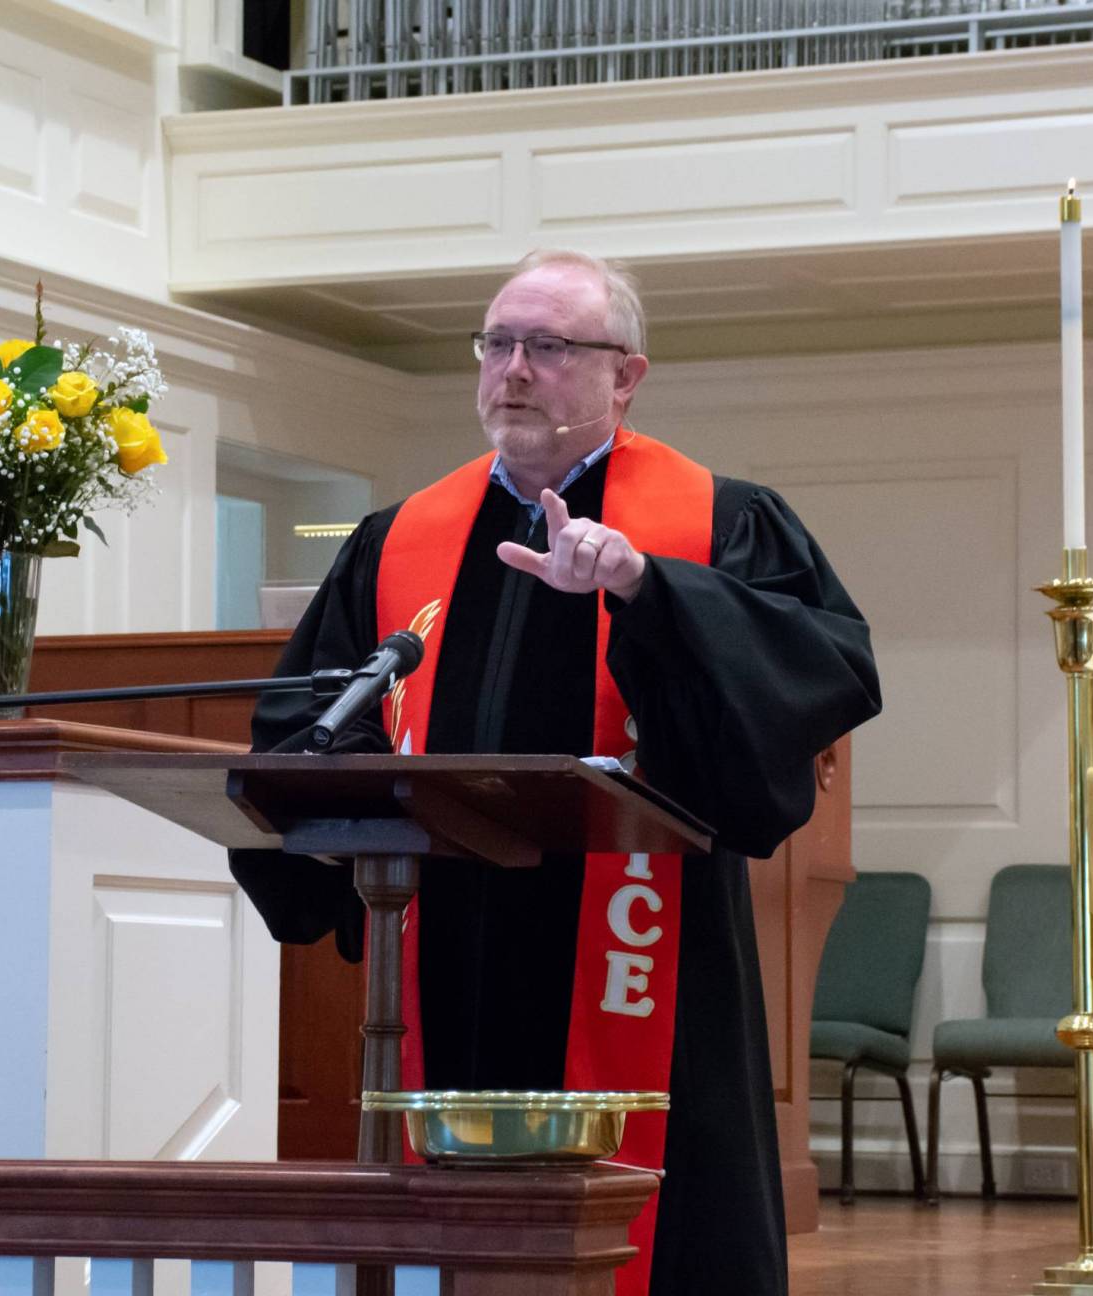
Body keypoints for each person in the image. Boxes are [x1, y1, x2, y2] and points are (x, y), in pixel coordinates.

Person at [230, 249, 881, 1296]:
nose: (514, 370)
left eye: (550, 346)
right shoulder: (397, 540)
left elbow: (824, 669)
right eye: (498, 343)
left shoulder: (716, 523)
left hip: (646, 944)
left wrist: (646, 586)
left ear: (626, 377)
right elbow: (306, 715)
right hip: (445, 935)